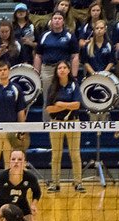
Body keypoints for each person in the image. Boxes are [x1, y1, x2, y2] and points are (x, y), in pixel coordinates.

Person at [0, 61, 27, 185]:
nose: (3, 72)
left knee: (11, 159)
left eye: (5, 69)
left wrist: (21, 129)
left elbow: (20, 111)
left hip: (11, 130)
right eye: (0, 70)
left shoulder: (16, 89)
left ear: (9, 71)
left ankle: (12, 182)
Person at [45, 60, 84, 192]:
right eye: (59, 68)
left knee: (75, 154)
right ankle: (55, 183)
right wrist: (68, 105)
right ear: (56, 71)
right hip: (56, 123)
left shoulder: (74, 85)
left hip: (73, 122)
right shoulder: (52, 87)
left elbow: (77, 105)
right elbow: (49, 109)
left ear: (68, 70)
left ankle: (78, 182)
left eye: (64, 67)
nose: (61, 70)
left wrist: (61, 104)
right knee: (56, 155)